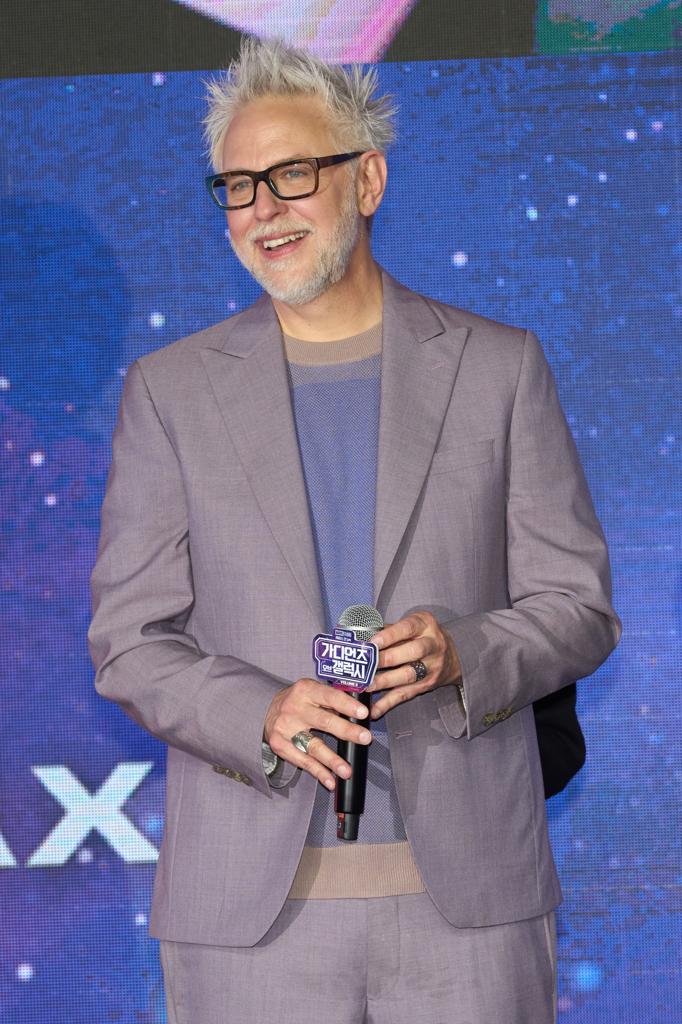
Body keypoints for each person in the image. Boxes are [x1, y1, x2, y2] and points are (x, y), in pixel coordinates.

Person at [88, 37, 621, 1024]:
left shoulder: (497, 368)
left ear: (367, 180)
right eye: (238, 187)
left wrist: (464, 651)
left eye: (292, 174)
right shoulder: (169, 393)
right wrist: (259, 711)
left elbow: (578, 610)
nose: (263, 209)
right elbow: (129, 642)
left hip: (470, 915)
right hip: (247, 923)